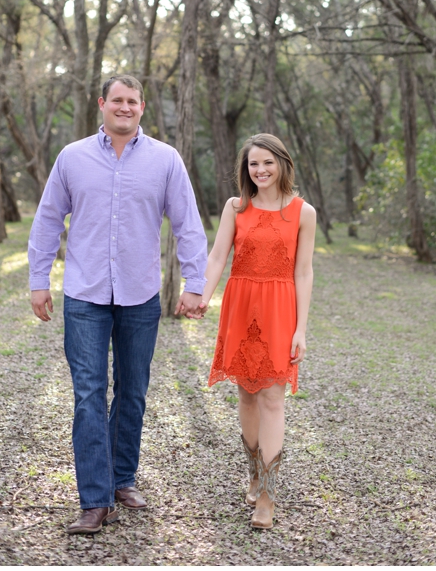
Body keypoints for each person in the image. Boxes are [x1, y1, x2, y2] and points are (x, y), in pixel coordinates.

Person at [28, 75, 208, 535]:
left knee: (132, 391)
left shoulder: (165, 161)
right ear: (102, 104)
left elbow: (187, 222)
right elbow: (49, 218)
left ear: (142, 107)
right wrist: (38, 280)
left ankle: (122, 478)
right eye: (117, 101)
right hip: (85, 294)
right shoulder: (73, 157)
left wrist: (195, 282)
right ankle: (95, 500)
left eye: (133, 101)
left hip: (140, 295)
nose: (124, 108)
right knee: (88, 394)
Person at [179, 133, 315, 529]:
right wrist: (201, 296)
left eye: (268, 163)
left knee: (273, 397)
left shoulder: (302, 212)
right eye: (254, 164)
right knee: (247, 395)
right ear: (246, 168)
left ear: (283, 164)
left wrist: (300, 329)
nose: (261, 170)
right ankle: (254, 474)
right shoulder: (236, 207)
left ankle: (268, 495)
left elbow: (303, 272)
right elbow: (219, 254)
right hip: (240, 306)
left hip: (279, 310)